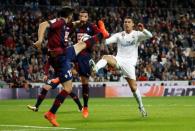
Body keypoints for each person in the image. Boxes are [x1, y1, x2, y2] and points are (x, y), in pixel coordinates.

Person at [33, 6, 109, 127]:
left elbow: (74, 24)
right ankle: (102, 34)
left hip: (60, 54)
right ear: (69, 16)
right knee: (68, 87)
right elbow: (43, 25)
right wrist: (40, 40)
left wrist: (81, 21)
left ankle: (51, 113)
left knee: (81, 45)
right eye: (72, 16)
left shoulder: (65, 25)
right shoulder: (60, 21)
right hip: (61, 56)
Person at [91, 16, 152, 117]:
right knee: (105, 57)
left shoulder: (137, 34)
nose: (126, 24)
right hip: (119, 60)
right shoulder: (119, 35)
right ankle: (95, 68)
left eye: (129, 22)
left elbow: (150, 35)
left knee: (133, 88)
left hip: (129, 64)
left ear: (133, 24)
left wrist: (143, 30)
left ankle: (141, 107)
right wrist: (102, 35)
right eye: (125, 22)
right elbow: (106, 41)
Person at [70, 9, 102, 118]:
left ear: (87, 17)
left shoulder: (91, 26)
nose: (82, 18)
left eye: (84, 16)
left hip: (84, 56)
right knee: (65, 77)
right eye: (81, 16)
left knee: (84, 81)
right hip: (74, 53)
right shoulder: (75, 26)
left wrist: (90, 41)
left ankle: (85, 107)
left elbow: (100, 35)